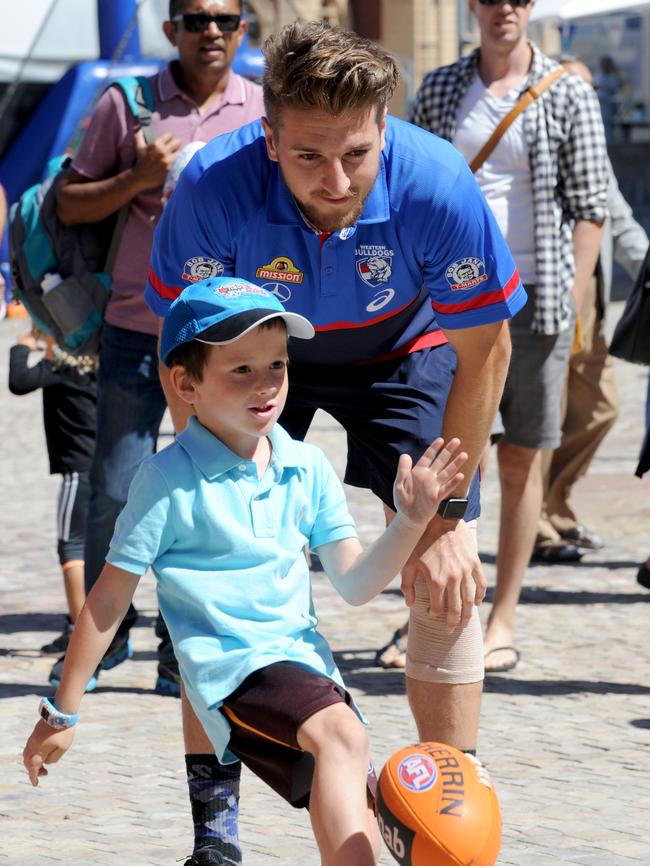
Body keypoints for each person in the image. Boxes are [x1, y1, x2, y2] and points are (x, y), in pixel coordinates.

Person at [147, 19, 525, 864]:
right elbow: (187, 354)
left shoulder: (435, 183)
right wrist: (209, 508)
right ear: (268, 136)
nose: (336, 177)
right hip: (261, 346)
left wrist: (448, 516)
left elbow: (486, 351)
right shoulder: (212, 187)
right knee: (214, 576)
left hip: (405, 349)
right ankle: (216, 840)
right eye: (309, 156)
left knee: (444, 567)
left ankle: (448, 806)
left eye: (356, 153)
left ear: (383, 128)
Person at [22, 277, 470, 866]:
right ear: (186, 384)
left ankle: (214, 848)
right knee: (342, 736)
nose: (266, 386)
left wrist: (410, 521)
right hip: (229, 669)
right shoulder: (163, 482)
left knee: (356, 802)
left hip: (304, 664)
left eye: (278, 366)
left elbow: (356, 585)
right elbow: (107, 602)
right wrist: (63, 711)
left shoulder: (307, 466)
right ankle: (216, 838)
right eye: (241, 370)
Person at [49, 0, 264, 699]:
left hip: (226, 340)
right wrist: (136, 180)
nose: (211, 32)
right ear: (170, 29)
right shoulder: (129, 103)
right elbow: (70, 204)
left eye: (224, 20)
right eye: (196, 19)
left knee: (208, 494)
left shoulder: (262, 108)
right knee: (116, 488)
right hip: (138, 329)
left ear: (242, 30)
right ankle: (107, 637)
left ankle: (184, 645)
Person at [409, 0, 609, 673]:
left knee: (522, 461)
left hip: (538, 300)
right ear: (473, 7)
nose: (504, 9)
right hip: (451, 301)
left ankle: (502, 618)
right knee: (452, 461)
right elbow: (407, 185)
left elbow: (591, 205)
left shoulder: (568, 92)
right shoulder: (440, 88)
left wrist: (574, 297)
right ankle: (435, 609)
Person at [533, 58, 650, 563]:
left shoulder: (592, 158)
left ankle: (553, 504)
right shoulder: (539, 156)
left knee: (602, 408)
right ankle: (538, 525)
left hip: (593, 308)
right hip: (550, 300)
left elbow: (621, 223)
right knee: (543, 420)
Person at [8, 327, 97, 659]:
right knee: (97, 549)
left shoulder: (62, 368)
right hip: (104, 474)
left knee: (71, 549)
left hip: (78, 474)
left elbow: (19, 381)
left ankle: (81, 634)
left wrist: (23, 345)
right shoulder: (92, 367)